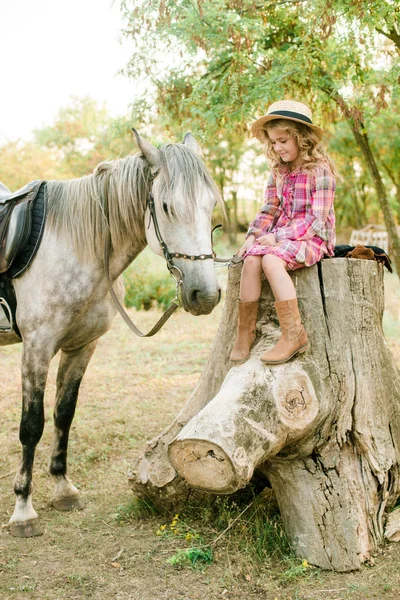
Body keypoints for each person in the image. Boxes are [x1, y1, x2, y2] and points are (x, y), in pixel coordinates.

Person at [230, 99, 337, 365]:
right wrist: (253, 237)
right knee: (252, 260)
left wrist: (278, 237)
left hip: (312, 237)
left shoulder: (320, 171)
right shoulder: (278, 171)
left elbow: (317, 219)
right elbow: (269, 209)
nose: (277, 148)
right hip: (281, 237)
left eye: (283, 141)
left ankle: (294, 334)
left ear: (301, 140)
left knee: (270, 259)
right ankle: (245, 332)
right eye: (273, 143)